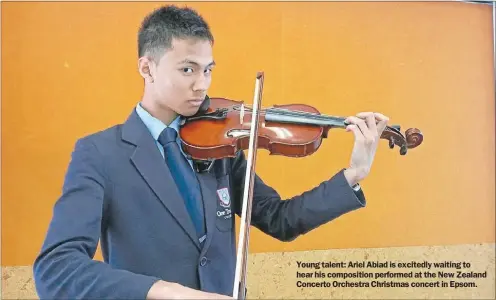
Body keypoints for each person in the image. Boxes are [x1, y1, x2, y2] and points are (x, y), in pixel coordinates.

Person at [33, 4, 389, 300]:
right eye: (187, 69)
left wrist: (353, 175)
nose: (201, 85)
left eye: (208, 70)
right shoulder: (99, 154)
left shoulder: (222, 146)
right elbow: (56, 268)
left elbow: (280, 219)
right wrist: (168, 292)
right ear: (147, 67)